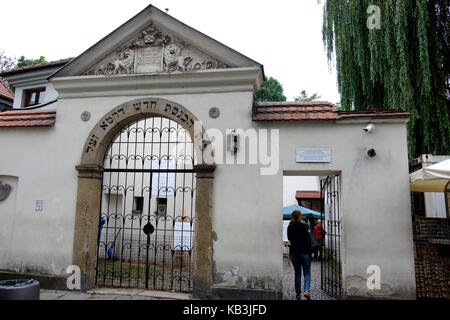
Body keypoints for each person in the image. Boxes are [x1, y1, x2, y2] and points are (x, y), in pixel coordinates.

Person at [287, 210, 312, 300]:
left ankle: (298, 294)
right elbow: (309, 239)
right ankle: (306, 291)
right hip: (305, 252)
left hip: (294, 253)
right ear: (299, 216)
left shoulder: (290, 227)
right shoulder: (305, 226)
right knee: (307, 273)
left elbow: (289, 238)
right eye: (301, 215)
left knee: (297, 273)